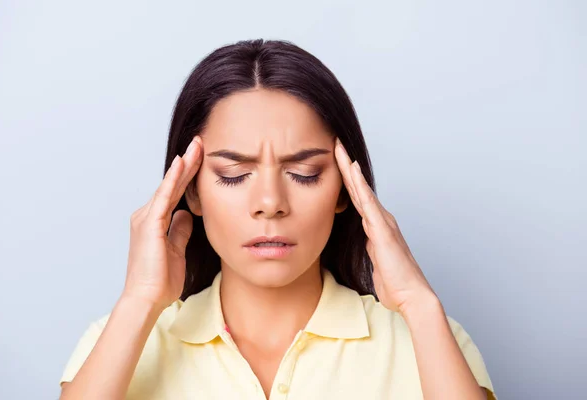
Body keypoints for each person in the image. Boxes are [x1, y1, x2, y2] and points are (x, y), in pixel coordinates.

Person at [58, 39, 497, 400]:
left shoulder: (429, 340)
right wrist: (139, 300)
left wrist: (419, 304)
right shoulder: (119, 341)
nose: (270, 202)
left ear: (345, 187)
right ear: (190, 189)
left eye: (304, 173)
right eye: (234, 175)